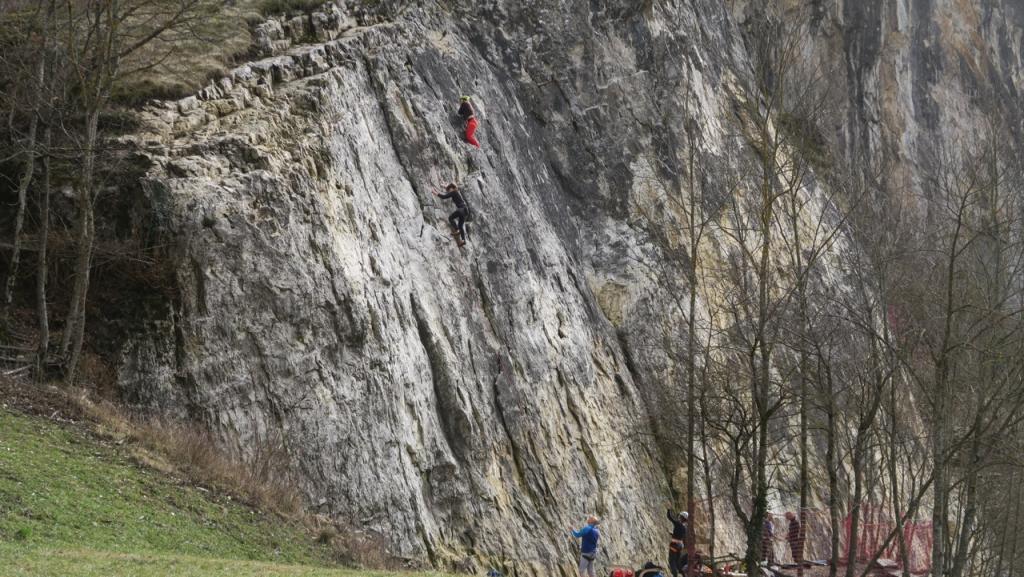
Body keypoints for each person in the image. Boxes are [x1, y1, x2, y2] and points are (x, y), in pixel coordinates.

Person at [666, 507, 688, 577]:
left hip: (674, 545)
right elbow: (679, 535)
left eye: (680, 516)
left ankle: (675, 575)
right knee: (678, 562)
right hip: (680, 546)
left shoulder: (678, 524)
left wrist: (668, 509)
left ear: (682, 518)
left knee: (672, 561)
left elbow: (669, 517)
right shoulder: (685, 528)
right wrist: (673, 534)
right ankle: (683, 574)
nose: (679, 517)